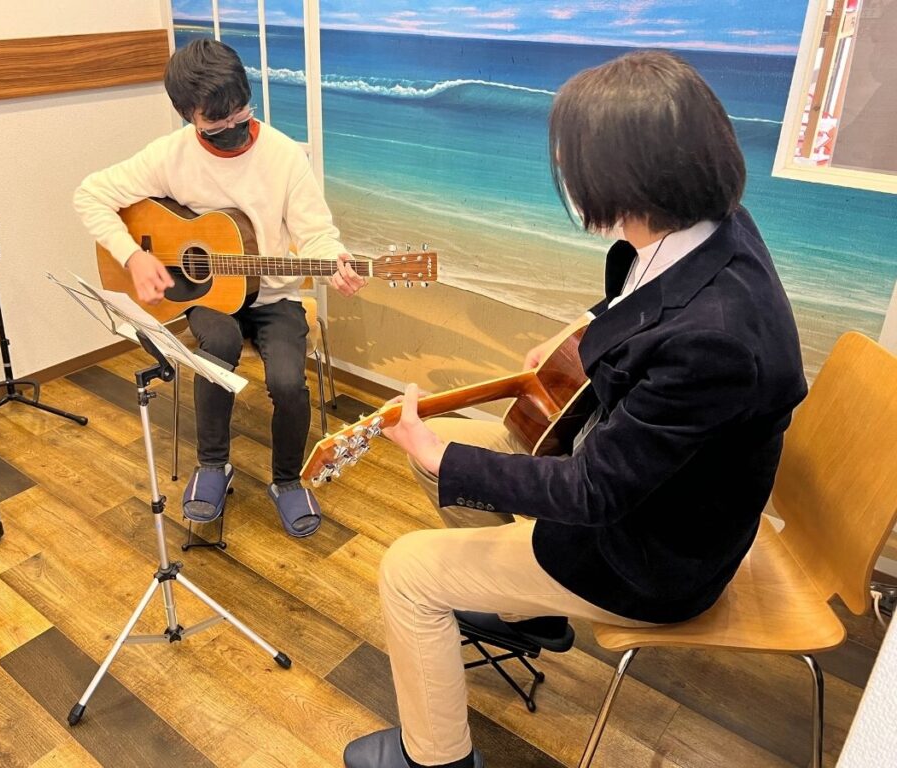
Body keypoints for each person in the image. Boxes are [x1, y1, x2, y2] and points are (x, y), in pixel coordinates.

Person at [343, 50, 807, 768]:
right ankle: (531, 610)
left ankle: (436, 757)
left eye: (573, 162)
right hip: (655, 489)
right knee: (445, 453)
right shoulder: (714, 226)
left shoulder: (714, 342)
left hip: (654, 559)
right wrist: (582, 337)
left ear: (628, 179)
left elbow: (594, 493)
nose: (566, 173)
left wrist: (441, 458)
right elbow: (641, 300)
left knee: (409, 568)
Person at [74, 39, 365, 538]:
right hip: (209, 297)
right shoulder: (169, 156)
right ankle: (213, 465)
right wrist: (134, 255)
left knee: (288, 382)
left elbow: (316, 231)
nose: (233, 127)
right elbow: (90, 195)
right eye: (216, 121)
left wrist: (334, 258)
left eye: (240, 112)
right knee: (219, 346)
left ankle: (287, 480)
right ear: (188, 115)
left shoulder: (283, 156)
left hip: (273, 296)